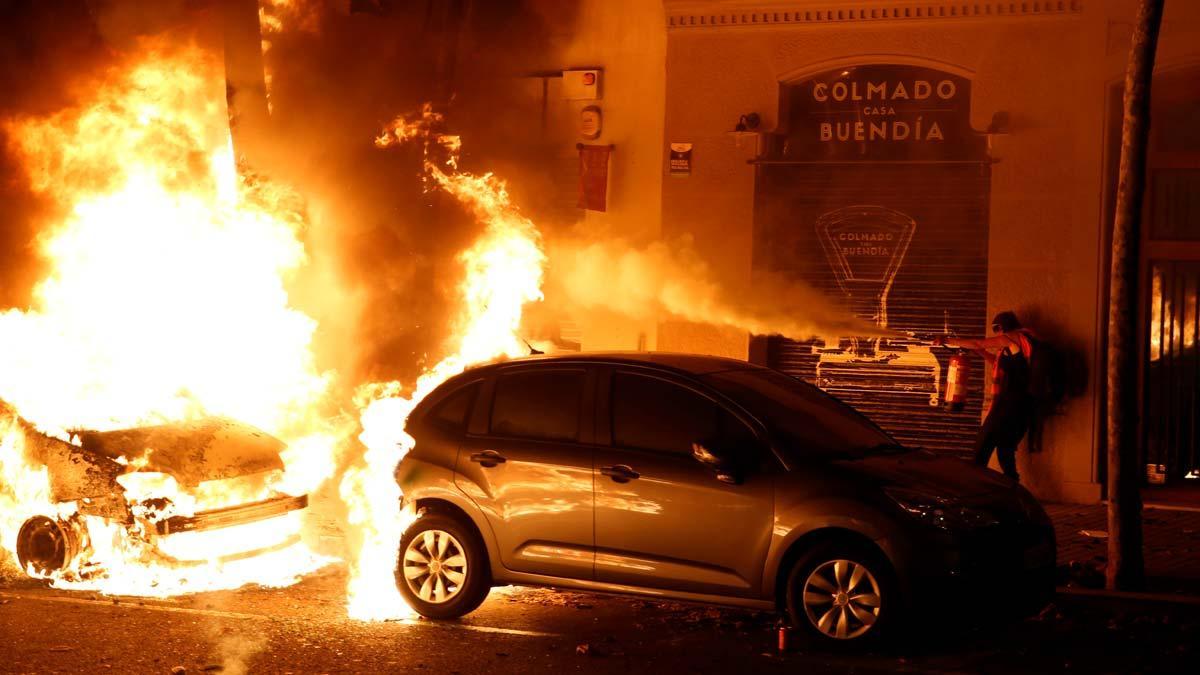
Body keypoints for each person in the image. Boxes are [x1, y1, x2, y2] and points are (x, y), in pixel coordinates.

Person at [935, 311, 1034, 482]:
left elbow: (976, 342)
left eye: (995, 330)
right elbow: (996, 361)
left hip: (1009, 403)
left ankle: (974, 486)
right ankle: (1012, 487)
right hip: (1022, 405)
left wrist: (946, 340)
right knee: (1005, 447)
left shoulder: (1011, 338)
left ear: (1000, 328)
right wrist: (978, 351)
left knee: (982, 445)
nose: (995, 335)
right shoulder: (1021, 344)